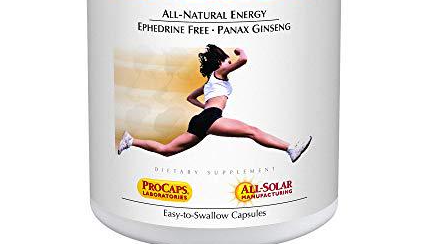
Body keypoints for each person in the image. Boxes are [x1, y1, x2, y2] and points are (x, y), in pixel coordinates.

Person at [118, 44, 311, 162]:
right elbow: (243, 59)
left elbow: (190, 98)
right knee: (252, 131)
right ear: (219, 63)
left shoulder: (209, 83)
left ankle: (131, 141)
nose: (230, 64)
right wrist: (239, 50)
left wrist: (206, 108)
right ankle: (290, 149)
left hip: (202, 119)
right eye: (227, 61)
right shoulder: (219, 73)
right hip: (210, 117)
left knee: (167, 150)